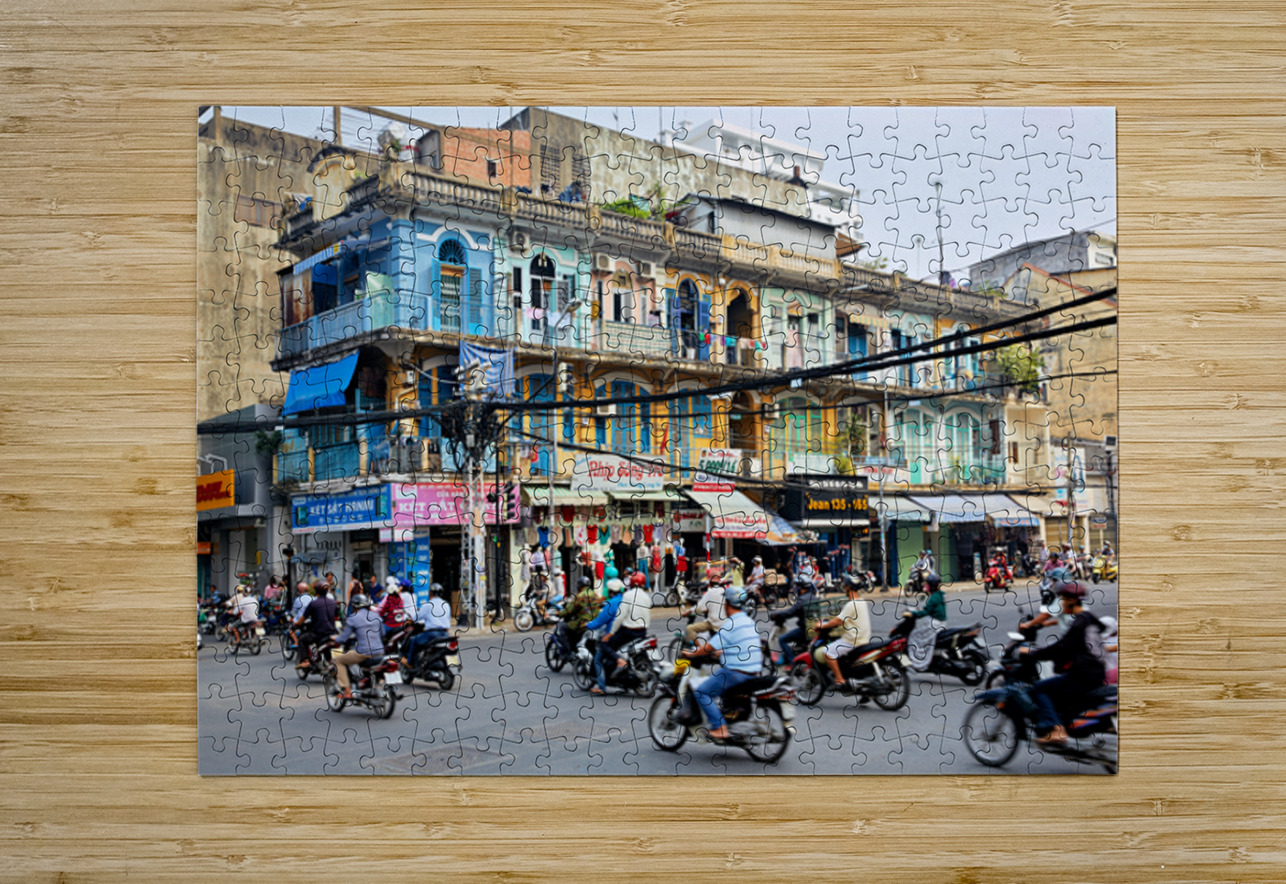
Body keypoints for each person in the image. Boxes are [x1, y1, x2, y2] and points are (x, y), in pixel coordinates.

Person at [1018, 582, 1107, 745]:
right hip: (1098, 672)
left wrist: (1032, 653)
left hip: (1083, 674)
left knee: (1040, 688)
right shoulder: (1090, 618)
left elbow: (1061, 647)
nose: (1062, 603)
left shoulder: (1079, 622)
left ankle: (1057, 730)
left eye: (1064, 599)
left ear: (1072, 600)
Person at [683, 587, 763, 741]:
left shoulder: (730, 624)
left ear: (727, 604)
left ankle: (719, 727)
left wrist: (692, 653)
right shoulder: (748, 621)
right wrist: (722, 652)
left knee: (701, 691)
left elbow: (708, 648)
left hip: (736, 672)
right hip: (753, 670)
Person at [591, 571, 651, 695]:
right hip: (643, 632)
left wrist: (610, 634)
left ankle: (604, 683)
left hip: (629, 632)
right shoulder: (647, 597)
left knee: (604, 645)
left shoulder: (627, 596)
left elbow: (619, 617)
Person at [815, 577, 872, 693]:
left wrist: (822, 626)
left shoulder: (851, 605)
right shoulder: (862, 601)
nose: (844, 589)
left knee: (828, 652)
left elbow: (837, 621)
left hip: (852, 640)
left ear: (848, 587)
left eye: (845, 586)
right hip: (864, 639)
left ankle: (839, 679)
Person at [332, 594, 385, 700]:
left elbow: (343, 638)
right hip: (380, 653)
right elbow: (383, 634)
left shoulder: (353, 618)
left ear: (355, 606)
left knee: (338, 660)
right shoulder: (376, 616)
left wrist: (334, 638)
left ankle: (347, 691)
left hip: (364, 653)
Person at [584, 579, 626, 694]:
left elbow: (599, 621)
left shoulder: (611, 604)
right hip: (626, 633)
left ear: (611, 591)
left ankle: (601, 687)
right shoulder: (624, 600)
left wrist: (588, 625)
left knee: (598, 659)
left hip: (613, 634)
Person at [902, 573, 947, 671]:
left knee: (914, 636)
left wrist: (912, 614)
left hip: (934, 624)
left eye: (927, 584)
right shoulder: (941, 594)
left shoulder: (934, 597)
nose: (925, 586)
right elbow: (930, 607)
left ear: (931, 585)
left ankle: (917, 661)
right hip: (941, 623)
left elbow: (926, 611)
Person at [769, 579, 817, 667]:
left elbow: (791, 612)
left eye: (798, 588)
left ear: (802, 588)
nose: (797, 590)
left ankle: (792, 662)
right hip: (814, 629)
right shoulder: (813, 597)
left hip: (805, 630)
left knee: (782, 639)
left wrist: (777, 615)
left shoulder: (802, 599)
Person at [405, 583, 452, 669]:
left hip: (432, 634)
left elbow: (417, 617)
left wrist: (408, 621)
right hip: (445, 634)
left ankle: (410, 663)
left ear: (430, 593)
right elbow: (448, 619)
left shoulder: (428, 605)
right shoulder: (446, 605)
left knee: (414, 641)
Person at [296, 581, 339, 670]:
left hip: (318, 633)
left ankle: (305, 661)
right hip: (332, 633)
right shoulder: (334, 603)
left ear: (316, 591)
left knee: (302, 639)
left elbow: (303, 618)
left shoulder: (313, 603)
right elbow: (336, 616)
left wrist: (297, 623)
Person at [685, 574, 731, 645]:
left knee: (690, 628)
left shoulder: (710, 592)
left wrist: (687, 612)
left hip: (714, 623)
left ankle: (700, 649)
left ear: (709, 584)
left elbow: (699, 607)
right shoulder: (726, 592)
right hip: (725, 623)